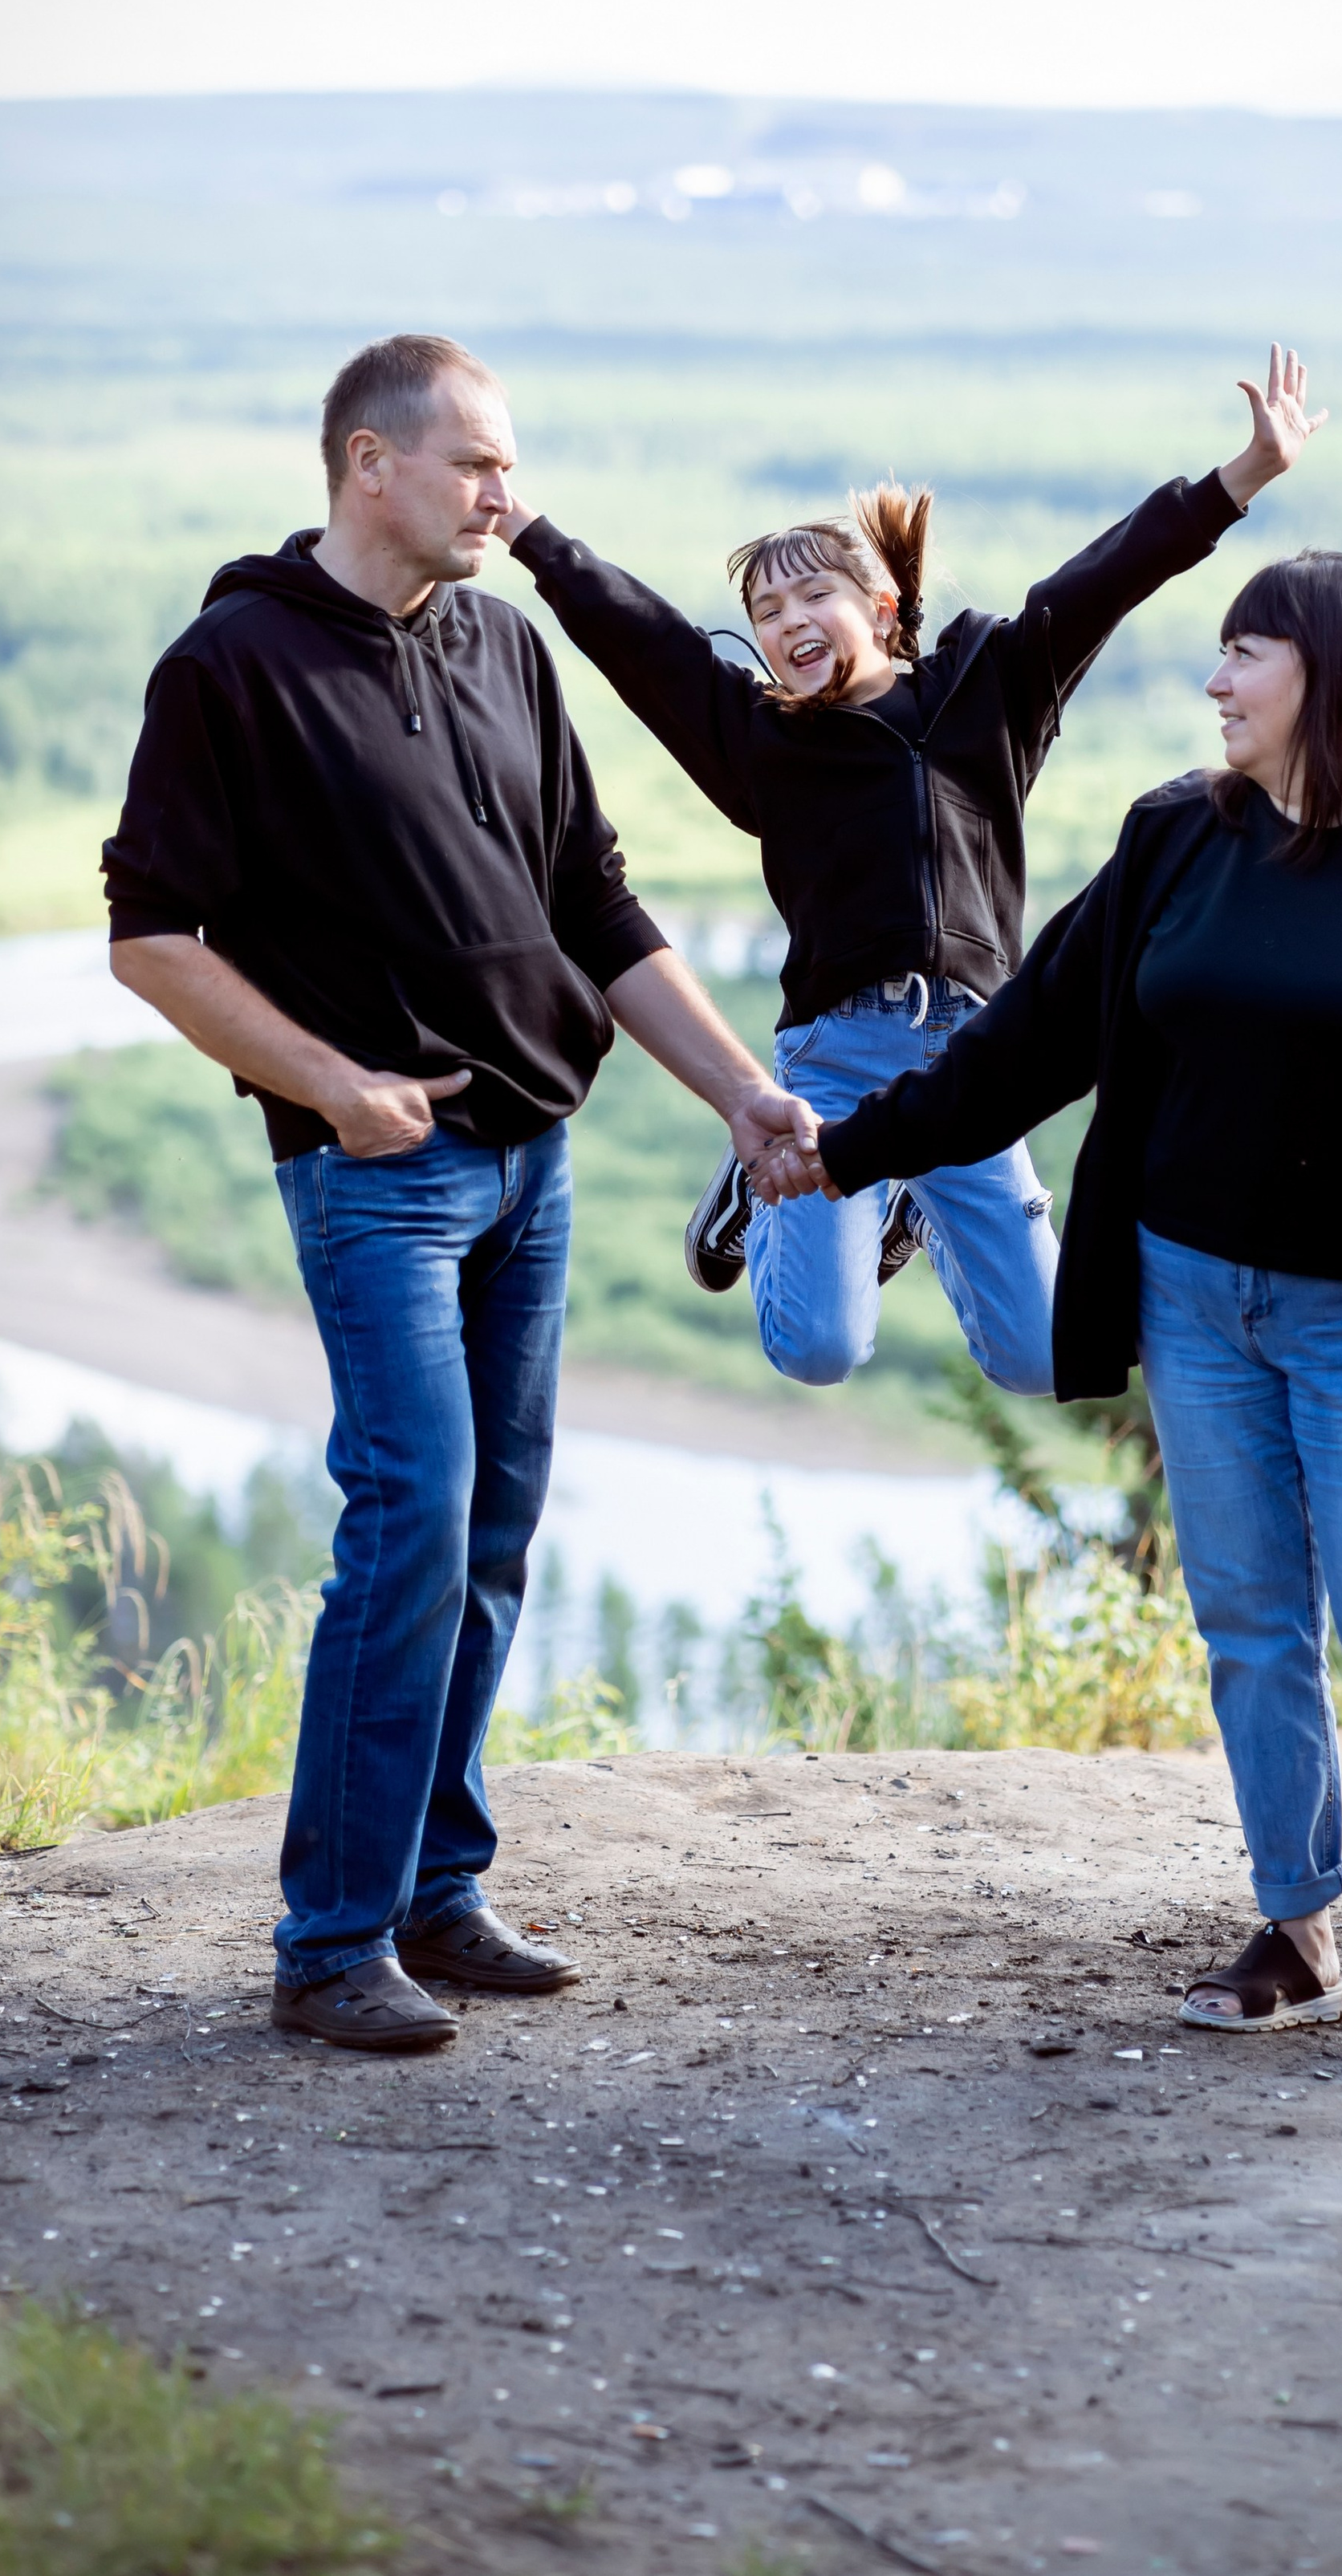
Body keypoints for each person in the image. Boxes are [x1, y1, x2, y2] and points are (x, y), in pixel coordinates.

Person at [793, 547, 1342, 2070]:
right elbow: (1031, 1039)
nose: (1216, 682)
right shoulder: (1180, 836)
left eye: (1246, 653)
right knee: (1251, 1623)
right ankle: (1300, 1931)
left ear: (1340, 674)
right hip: (1191, 1296)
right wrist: (849, 1149)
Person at [102, 333, 822, 2055]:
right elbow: (148, 939)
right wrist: (335, 1088)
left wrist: (738, 1093)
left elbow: (598, 905)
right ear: (371, 463)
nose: (508, 493)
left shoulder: (503, 641)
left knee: (490, 1529)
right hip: (382, 1179)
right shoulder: (232, 667)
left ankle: (436, 1887)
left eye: (510, 467)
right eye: (479, 465)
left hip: (534, 1159)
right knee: (409, 1517)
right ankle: (329, 1938)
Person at [492, 349, 1323, 1397]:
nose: (788, 623)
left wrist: (1241, 476)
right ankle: (757, 1193)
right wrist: (531, 534)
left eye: (810, 597)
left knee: (1047, 1356)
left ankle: (906, 1198)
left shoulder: (995, 687)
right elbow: (643, 639)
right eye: (767, 612)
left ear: (883, 604)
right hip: (834, 1064)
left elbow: (1111, 571)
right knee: (819, 1349)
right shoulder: (759, 741)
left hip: (978, 1066)